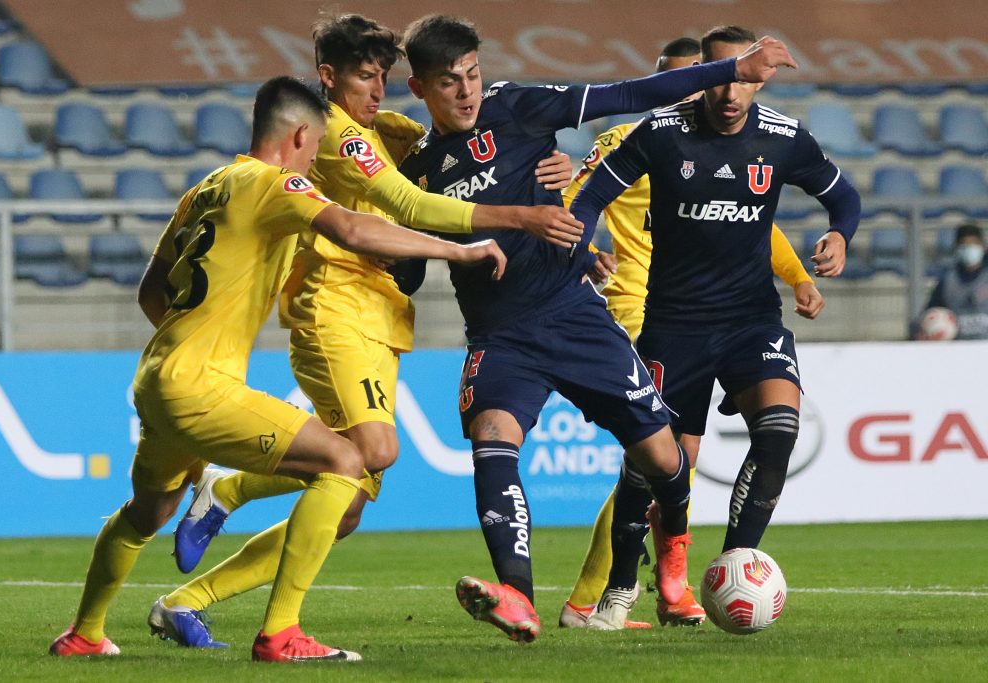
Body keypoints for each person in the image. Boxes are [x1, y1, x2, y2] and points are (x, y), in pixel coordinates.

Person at [151, 14, 577, 648]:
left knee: (345, 505)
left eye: (382, 76)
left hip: (381, 315)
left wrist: (547, 164)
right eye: (363, 76)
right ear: (329, 78)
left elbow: (453, 145)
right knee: (371, 452)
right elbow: (409, 205)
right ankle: (239, 514)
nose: (377, 90)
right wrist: (511, 218)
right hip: (334, 306)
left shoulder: (388, 130)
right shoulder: (335, 138)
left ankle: (188, 600)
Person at [49, 76, 508, 663]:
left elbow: (150, 292)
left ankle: (85, 633)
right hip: (201, 386)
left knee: (148, 513)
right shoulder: (276, 183)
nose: (316, 158)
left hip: (157, 376)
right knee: (346, 461)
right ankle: (280, 634)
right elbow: (351, 227)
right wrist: (461, 249)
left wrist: (194, 344)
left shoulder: (205, 189)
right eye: (315, 147)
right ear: (298, 135)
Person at [395, 15, 798, 641]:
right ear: (420, 89)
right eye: (451, 83)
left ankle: (669, 565)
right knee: (492, 436)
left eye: (473, 74)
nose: (468, 91)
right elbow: (410, 275)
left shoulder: (520, 106)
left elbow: (629, 95)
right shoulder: (417, 173)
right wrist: (393, 251)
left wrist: (731, 71)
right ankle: (518, 596)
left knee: (666, 460)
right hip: (501, 334)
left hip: (576, 314)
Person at [569, 25, 861, 629]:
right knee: (660, 465)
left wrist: (839, 235)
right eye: (720, 76)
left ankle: (735, 561)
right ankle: (623, 583)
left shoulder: (783, 137)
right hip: (674, 326)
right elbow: (590, 195)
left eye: (745, 77)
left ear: (762, 76)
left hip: (753, 320)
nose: (732, 91)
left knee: (779, 429)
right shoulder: (659, 133)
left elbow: (844, 195)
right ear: (702, 75)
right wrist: (579, 250)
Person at [921, 223, 988, 339]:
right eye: (965, 245)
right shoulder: (947, 280)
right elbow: (930, 312)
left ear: (983, 246)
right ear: (957, 248)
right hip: (958, 349)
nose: (970, 249)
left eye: (974, 244)